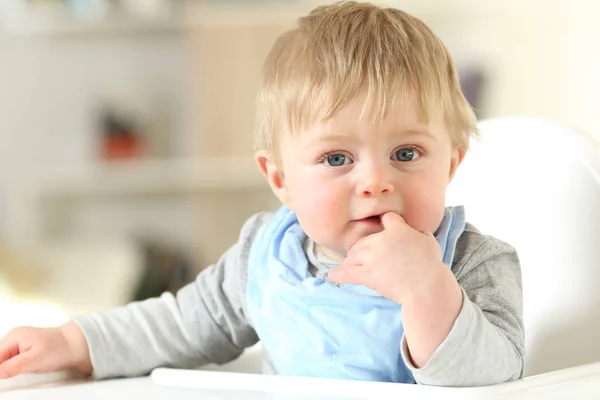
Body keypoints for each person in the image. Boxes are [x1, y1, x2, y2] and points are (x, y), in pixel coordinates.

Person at [0, 1, 523, 386]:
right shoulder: (265, 258)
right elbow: (181, 324)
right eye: (337, 158)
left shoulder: (472, 263)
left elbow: (497, 379)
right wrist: (74, 341)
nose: (375, 182)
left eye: (406, 153)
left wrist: (426, 288)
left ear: (451, 163)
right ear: (280, 181)